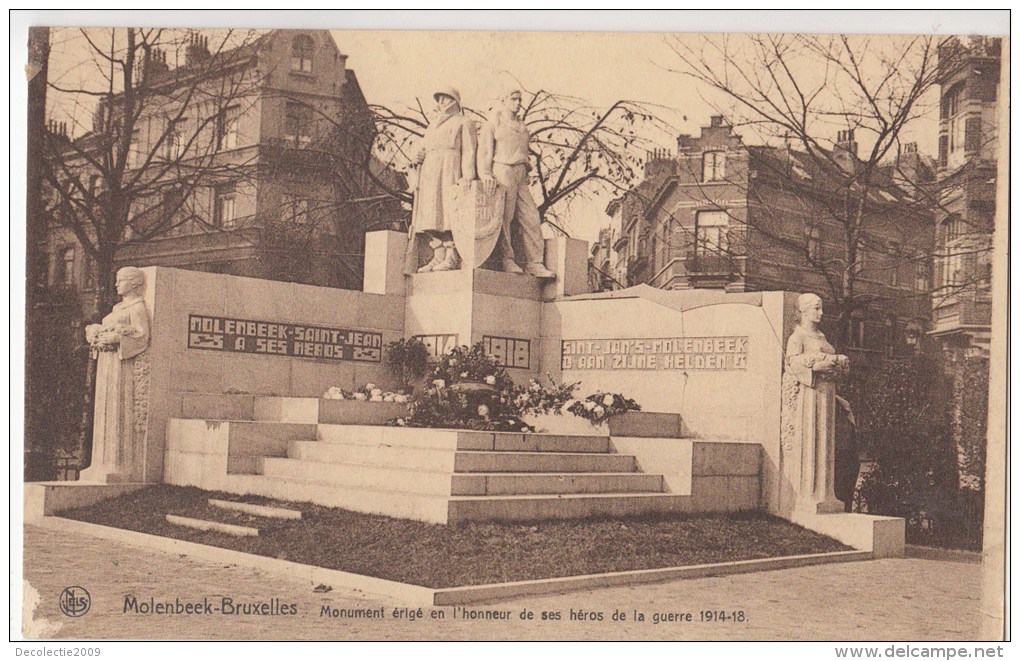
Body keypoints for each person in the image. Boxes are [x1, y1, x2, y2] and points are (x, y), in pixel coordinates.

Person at [82, 267, 151, 482]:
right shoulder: (118, 307)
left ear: (133, 283)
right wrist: (96, 335)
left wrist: (117, 339)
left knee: (116, 408)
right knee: (103, 408)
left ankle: (117, 464)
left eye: (121, 281)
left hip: (122, 367)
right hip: (107, 364)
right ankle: (100, 464)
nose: (116, 284)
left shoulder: (138, 307)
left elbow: (142, 336)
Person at [477, 88, 554, 277]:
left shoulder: (522, 126)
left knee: (531, 217)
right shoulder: (494, 122)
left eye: (520, 99)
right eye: (514, 99)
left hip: (521, 173)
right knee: (504, 216)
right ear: (504, 99)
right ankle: (507, 259)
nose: (518, 103)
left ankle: (534, 262)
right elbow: (485, 151)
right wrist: (486, 173)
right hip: (502, 169)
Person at [784, 293, 849, 514]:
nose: (821, 313)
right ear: (803, 311)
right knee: (812, 439)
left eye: (821, 309)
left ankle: (826, 495)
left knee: (826, 441)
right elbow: (792, 363)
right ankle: (808, 496)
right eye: (816, 309)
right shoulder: (798, 336)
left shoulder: (822, 336)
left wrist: (839, 362)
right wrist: (813, 368)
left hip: (827, 394)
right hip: (810, 396)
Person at [407, 87, 477, 273]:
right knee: (432, 214)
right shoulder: (433, 124)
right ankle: (437, 255)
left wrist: (468, 175)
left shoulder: (464, 122)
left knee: (449, 214)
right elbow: (424, 146)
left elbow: (469, 151)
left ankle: (451, 256)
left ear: (454, 100)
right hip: (431, 170)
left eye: (445, 98)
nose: (441, 102)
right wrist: (418, 156)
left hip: (450, 168)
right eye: (439, 99)